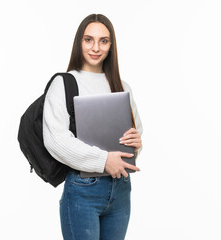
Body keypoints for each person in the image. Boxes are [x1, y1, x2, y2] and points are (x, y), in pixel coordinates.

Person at [42, 13, 143, 240]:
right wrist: (103, 160)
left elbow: (135, 133)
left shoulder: (122, 86)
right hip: (83, 190)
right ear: (80, 42)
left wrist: (136, 142)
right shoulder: (64, 83)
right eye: (89, 39)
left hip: (121, 188)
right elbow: (56, 139)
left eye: (103, 41)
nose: (95, 47)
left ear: (111, 46)